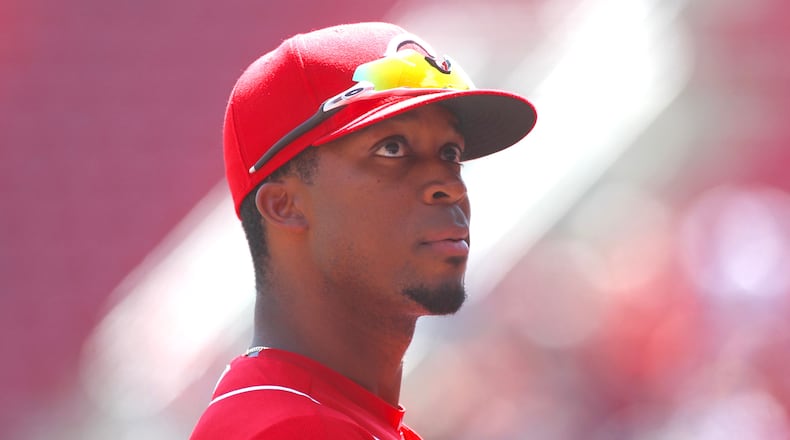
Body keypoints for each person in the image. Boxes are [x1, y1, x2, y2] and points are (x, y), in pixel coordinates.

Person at [189, 21, 537, 439]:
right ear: (285, 205)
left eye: (450, 153)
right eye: (392, 149)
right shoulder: (287, 428)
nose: (448, 185)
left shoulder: (324, 416)